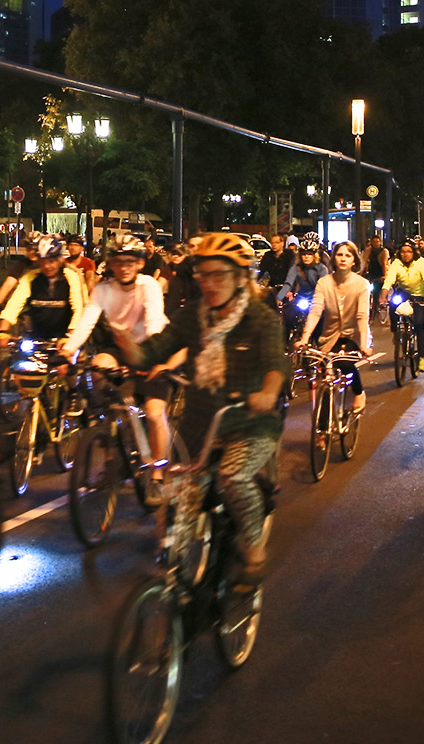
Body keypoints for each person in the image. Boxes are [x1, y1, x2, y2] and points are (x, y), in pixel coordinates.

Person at [115, 233, 287, 588]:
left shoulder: (259, 318)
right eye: (203, 275)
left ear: (242, 277)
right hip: (199, 426)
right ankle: (176, 586)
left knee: (233, 478)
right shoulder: (193, 317)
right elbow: (153, 351)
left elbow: (275, 363)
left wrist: (268, 392)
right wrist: (125, 345)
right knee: (175, 503)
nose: (210, 284)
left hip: (249, 424)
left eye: (219, 275)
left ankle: (253, 550)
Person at [61, 238, 176, 496]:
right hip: (122, 347)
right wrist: (69, 349)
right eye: (117, 262)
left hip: (153, 346)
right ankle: (114, 433)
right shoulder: (103, 290)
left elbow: (155, 321)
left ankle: (157, 473)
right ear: (110, 264)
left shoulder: (149, 286)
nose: (124, 268)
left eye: (130, 262)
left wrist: (151, 360)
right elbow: (87, 322)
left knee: (156, 413)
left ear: (139, 263)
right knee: (97, 368)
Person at [295, 240, 375, 411]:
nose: (343, 259)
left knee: (345, 362)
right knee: (325, 378)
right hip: (330, 336)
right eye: (339, 255)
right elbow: (316, 310)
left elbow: (362, 316)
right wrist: (305, 338)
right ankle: (323, 431)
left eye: (348, 255)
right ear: (333, 258)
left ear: (354, 260)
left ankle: (359, 392)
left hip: (354, 336)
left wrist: (363, 344)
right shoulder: (324, 283)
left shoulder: (362, 285)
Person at [0, 234, 86, 344]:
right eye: (43, 261)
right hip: (34, 337)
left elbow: (78, 307)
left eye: (51, 261)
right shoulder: (31, 277)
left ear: (60, 259)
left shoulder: (71, 276)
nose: (47, 266)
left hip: (63, 337)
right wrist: (3, 330)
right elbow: (14, 303)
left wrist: (71, 335)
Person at [379, 239, 424, 373]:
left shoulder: (421, 262)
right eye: (403, 252)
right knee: (393, 306)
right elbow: (389, 279)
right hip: (403, 293)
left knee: (419, 324)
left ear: (414, 253)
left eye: (409, 252)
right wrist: (383, 295)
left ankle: (422, 357)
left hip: (421, 296)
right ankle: (396, 330)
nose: (405, 254)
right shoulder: (396, 263)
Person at [275, 238, 327, 340]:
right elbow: (288, 283)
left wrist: (323, 302)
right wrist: (278, 298)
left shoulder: (322, 269)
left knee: (322, 321)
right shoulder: (296, 268)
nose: (306, 257)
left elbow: (324, 287)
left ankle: (319, 343)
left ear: (315, 255)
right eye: (304, 254)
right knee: (287, 316)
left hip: (316, 300)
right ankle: (284, 346)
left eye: (309, 254)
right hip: (301, 298)